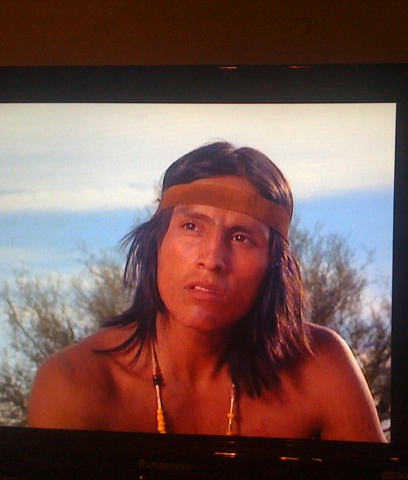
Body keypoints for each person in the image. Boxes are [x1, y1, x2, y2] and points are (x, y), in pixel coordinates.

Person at [27, 141, 386, 442]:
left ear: (273, 266)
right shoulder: (74, 382)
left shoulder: (322, 368)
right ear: (157, 243)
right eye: (192, 226)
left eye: (242, 238)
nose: (213, 259)